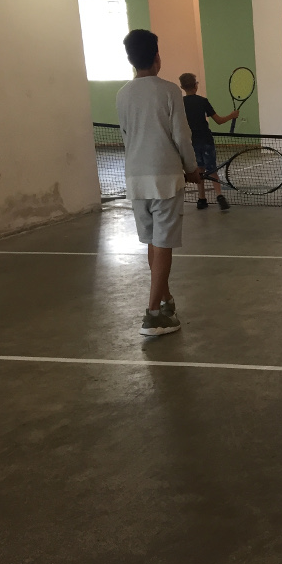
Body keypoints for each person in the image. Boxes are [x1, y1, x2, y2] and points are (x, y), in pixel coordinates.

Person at [116, 29, 202, 337]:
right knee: (162, 244)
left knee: (154, 243)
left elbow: (127, 136)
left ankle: (165, 301)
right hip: (165, 179)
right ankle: (153, 315)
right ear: (157, 58)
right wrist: (192, 168)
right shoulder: (169, 91)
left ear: (131, 60)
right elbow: (182, 135)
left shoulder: (122, 94)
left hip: (135, 180)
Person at [178, 72, 238, 210]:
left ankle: (201, 199)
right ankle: (219, 195)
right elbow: (219, 121)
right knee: (212, 169)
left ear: (182, 87)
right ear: (196, 85)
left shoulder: (180, 103)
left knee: (199, 170)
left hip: (191, 142)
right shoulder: (202, 101)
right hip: (206, 140)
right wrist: (232, 115)